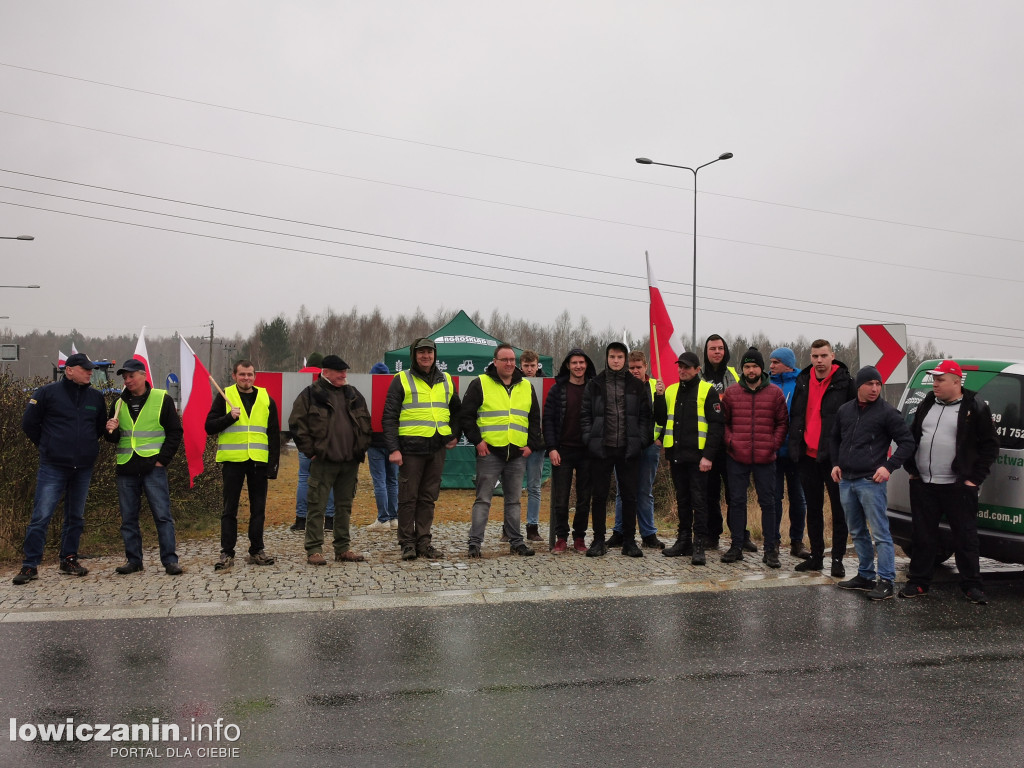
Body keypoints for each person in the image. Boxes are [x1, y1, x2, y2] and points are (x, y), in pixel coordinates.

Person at [900, 360, 1000, 604]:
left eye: (940, 380)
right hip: (924, 484)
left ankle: (971, 586)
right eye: (934, 379)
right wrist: (912, 469)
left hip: (957, 486)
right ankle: (919, 582)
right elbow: (912, 437)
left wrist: (973, 479)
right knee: (922, 536)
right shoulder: (926, 404)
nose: (935, 384)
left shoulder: (974, 407)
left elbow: (990, 446)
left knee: (965, 537)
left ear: (956, 382)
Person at [13, 353, 108, 585]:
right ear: (69, 370)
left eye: (90, 369)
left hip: (83, 466)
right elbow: (29, 424)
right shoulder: (47, 393)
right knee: (41, 516)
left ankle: (68, 559)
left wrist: (83, 447)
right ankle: (30, 566)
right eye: (85, 369)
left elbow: (97, 429)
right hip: (53, 466)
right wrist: (48, 447)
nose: (89, 372)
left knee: (75, 517)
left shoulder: (96, 397)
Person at [830, 366, 917, 600]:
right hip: (846, 480)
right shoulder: (845, 411)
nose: (875, 388)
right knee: (857, 531)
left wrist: (888, 467)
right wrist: (835, 463)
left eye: (878, 384)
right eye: (870, 384)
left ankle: (886, 581)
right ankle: (865, 575)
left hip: (871, 481)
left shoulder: (888, 413)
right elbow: (835, 438)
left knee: (880, 533)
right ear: (859, 385)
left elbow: (908, 443)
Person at [382, 339, 461, 561]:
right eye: (421, 352)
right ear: (414, 355)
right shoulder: (402, 379)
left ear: (435, 355)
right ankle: (407, 543)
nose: (426, 356)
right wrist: (393, 449)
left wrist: (454, 434)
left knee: (428, 498)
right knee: (408, 498)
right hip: (410, 449)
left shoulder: (446, 379)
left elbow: (457, 410)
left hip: (436, 448)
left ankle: (424, 542)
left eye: (429, 352)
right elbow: (389, 417)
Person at [461, 343, 542, 558]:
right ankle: (474, 543)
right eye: (504, 360)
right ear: (495, 362)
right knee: (483, 500)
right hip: (490, 453)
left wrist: (531, 445)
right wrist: (477, 441)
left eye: (512, 360)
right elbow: (466, 416)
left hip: (516, 454)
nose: (509, 363)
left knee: (514, 501)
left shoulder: (526, 386)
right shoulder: (480, 383)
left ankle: (516, 542)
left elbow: (534, 419)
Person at [289, 354, 371, 565]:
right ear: (325, 372)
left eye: (345, 372)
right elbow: (297, 425)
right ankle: (314, 550)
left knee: (344, 507)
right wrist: (311, 451)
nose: (344, 375)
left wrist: (361, 447)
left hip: (349, 461)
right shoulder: (311, 394)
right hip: (324, 461)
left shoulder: (353, 394)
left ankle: (342, 548)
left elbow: (365, 423)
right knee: (317, 506)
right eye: (339, 372)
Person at [105, 359, 184, 575]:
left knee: (162, 515)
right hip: (126, 467)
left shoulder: (161, 399)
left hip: (153, 467)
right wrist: (110, 429)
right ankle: (134, 560)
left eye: (131, 376)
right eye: (125, 377)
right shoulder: (118, 403)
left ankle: (169, 561)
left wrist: (162, 460)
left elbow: (175, 432)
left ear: (143, 375)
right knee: (128, 518)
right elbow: (114, 438)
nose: (127, 381)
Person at [789, 339, 856, 576]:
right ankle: (816, 556)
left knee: (839, 510)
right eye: (815, 356)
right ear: (810, 357)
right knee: (813, 509)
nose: (819, 361)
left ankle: (837, 559)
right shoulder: (803, 380)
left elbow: (853, 420)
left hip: (834, 458)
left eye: (823, 356)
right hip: (807, 455)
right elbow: (796, 414)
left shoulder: (845, 382)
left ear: (832, 356)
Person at [205, 359, 280, 570]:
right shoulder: (224, 396)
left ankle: (257, 550)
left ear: (255, 376)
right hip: (233, 462)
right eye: (242, 375)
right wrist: (229, 417)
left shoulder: (266, 398)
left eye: (250, 374)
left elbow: (274, 434)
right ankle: (226, 553)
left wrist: (273, 465)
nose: (246, 378)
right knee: (229, 509)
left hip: (258, 461)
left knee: (259, 509)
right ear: (234, 376)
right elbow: (209, 427)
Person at [580, 342, 653, 558]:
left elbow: (645, 417)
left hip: (628, 449)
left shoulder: (636, 385)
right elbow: (585, 416)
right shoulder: (594, 384)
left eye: (620, 357)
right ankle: (599, 541)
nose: (616, 360)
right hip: (601, 449)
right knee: (600, 496)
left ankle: (629, 542)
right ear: (607, 358)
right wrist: (590, 440)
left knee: (630, 496)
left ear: (625, 359)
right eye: (612, 356)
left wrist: (639, 441)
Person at [720, 348, 789, 567]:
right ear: (743, 369)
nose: (751, 370)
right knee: (737, 502)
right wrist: (731, 442)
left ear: (761, 368)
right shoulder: (731, 393)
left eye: (755, 366)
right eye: (747, 367)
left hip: (765, 458)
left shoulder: (775, 393)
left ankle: (770, 550)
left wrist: (773, 445)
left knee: (768, 503)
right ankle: (736, 546)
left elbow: (782, 423)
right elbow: (724, 423)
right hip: (737, 457)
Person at [654, 351, 723, 565]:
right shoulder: (671, 391)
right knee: (682, 500)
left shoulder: (707, 390)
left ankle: (699, 544)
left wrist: (708, 456)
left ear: (697, 369)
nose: (682, 370)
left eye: (687, 367)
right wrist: (658, 397)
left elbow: (716, 426)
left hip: (699, 459)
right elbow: (660, 418)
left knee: (699, 502)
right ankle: (683, 541)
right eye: (680, 366)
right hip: (676, 455)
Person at [700, 334, 755, 552]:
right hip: (708, 444)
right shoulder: (699, 375)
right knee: (709, 494)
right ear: (706, 352)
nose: (716, 352)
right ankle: (712, 535)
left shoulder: (735, 375)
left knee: (736, 494)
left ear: (725, 351)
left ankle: (741, 535)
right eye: (712, 348)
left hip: (732, 444)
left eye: (720, 348)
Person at [609, 350, 665, 550]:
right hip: (624, 447)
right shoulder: (621, 386)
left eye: (638, 367)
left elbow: (664, 415)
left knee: (644, 491)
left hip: (650, 446)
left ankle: (648, 534)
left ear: (646, 367)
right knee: (622, 492)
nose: (634, 371)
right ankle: (619, 531)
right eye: (631, 368)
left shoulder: (655, 387)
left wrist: (659, 439)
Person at [543, 348, 597, 553]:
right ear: (568, 365)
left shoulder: (594, 388)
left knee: (584, 498)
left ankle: (580, 538)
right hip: (562, 451)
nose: (578, 366)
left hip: (587, 452)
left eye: (582, 362)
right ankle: (561, 538)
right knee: (561, 499)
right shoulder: (558, 389)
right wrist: (552, 448)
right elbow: (548, 420)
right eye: (574, 362)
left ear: (586, 364)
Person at [768, 347, 810, 558]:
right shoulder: (767, 384)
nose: (771, 366)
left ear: (788, 364)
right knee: (774, 498)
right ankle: (773, 542)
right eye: (771, 362)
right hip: (773, 452)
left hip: (795, 452)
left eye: (775, 362)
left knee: (798, 498)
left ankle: (797, 542)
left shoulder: (802, 383)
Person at [291, 353, 334, 533]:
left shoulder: (297, 379)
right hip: (326, 441)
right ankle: (330, 521)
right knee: (328, 481)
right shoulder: (329, 381)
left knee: (303, 478)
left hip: (306, 441)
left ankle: (301, 520)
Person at [366, 361, 400, 532]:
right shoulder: (395, 389)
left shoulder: (369, 390)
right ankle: (394, 518)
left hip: (374, 442)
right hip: (393, 443)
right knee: (392, 481)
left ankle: (383, 518)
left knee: (379, 481)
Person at [519, 349, 546, 543]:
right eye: (526, 366)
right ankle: (508, 526)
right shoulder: (512, 383)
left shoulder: (547, 385)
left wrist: (534, 444)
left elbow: (545, 420)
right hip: (516, 444)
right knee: (512, 488)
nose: (529, 369)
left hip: (536, 445)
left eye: (532, 365)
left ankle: (532, 527)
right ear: (521, 366)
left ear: (538, 365)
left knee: (534, 487)